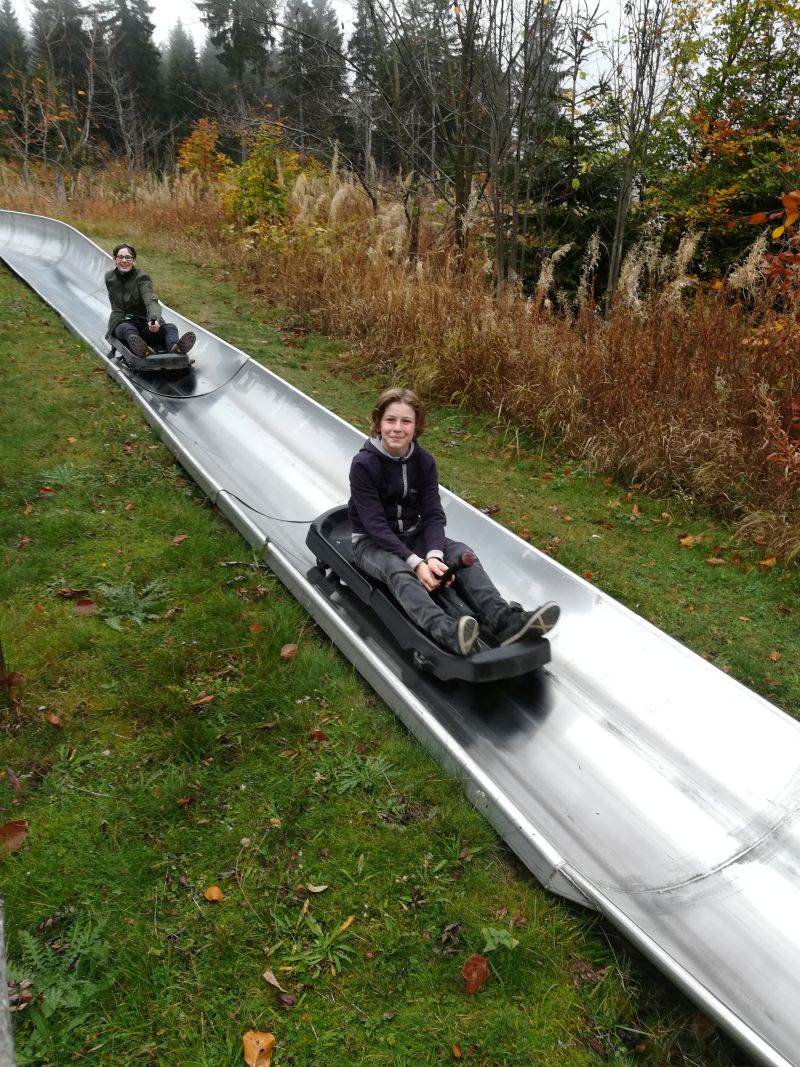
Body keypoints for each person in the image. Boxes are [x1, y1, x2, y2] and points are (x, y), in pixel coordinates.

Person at [348, 387, 560, 656]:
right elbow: (375, 525)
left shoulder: (424, 462)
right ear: (379, 422)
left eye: (406, 421)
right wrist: (416, 563)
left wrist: (434, 555)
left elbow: (433, 514)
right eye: (390, 420)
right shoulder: (364, 465)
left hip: (415, 535)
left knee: (460, 552)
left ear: (417, 426)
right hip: (371, 544)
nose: (397, 428)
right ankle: (447, 632)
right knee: (397, 569)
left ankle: (504, 620)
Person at [105, 243, 195, 359]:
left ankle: (175, 349)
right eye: (120, 257)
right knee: (127, 328)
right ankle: (143, 351)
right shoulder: (110, 278)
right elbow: (117, 305)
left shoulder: (141, 278)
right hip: (123, 323)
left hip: (145, 325)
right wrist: (113, 346)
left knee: (170, 327)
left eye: (128, 257)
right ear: (114, 260)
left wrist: (154, 320)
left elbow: (151, 300)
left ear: (134, 261)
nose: (124, 260)